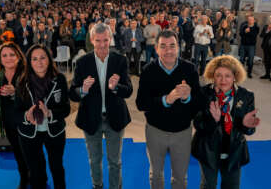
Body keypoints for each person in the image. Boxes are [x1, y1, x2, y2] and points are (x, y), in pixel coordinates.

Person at [69, 23, 133, 189]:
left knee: (115, 161)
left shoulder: (121, 60)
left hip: (115, 118)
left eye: (105, 40)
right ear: (92, 40)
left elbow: (129, 91)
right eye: (98, 41)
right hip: (91, 118)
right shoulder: (82, 62)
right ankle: (97, 186)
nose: (103, 45)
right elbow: (72, 93)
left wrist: (117, 87)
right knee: (94, 160)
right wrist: (82, 90)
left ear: (110, 39)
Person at [136, 30, 201, 189]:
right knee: (156, 175)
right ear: (156, 49)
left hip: (182, 133)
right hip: (155, 132)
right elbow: (141, 103)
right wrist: (166, 100)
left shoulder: (190, 69)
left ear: (178, 47)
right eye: (163, 46)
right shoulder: (148, 70)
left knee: (180, 177)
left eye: (172, 46)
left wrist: (187, 98)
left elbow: (199, 103)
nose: (168, 51)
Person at [192, 55, 260, 189]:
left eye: (227, 75)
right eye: (218, 75)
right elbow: (198, 124)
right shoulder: (202, 93)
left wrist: (246, 125)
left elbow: (249, 131)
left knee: (232, 186)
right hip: (208, 149)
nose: (223, 80)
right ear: (212, 76)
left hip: (234, 151)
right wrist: (214, 120)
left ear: (235, 76)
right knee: (208, 185)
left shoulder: (246, 96)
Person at [15, 44, 71, 189]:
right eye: (34, 59)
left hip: (55, 132)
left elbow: (66, 109)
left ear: (49, 59)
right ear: (29, 62)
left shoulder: (60, 80)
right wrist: (26, 117)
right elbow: (16, 112)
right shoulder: (21, 82)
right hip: (29, 134)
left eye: (42, 58)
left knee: (57, 167)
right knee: (35, 170)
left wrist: (50, 113)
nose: (39, 62)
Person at [0, 42, 29, 189]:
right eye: (4, 55)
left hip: (28, 121)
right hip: (8, 121)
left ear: (18, 56)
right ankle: (24, 177)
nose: (8, 58)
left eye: (11, 55)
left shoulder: (28, 73)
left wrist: (16, 92)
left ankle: (37, 175)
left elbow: (36, 97)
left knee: (31, 151)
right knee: (17, 151)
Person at [259, 15, 271, 80]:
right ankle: (267, 74)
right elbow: (261, 35)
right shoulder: (266, 26)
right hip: (266, 47)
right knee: (266, 61)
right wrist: (268, 30)